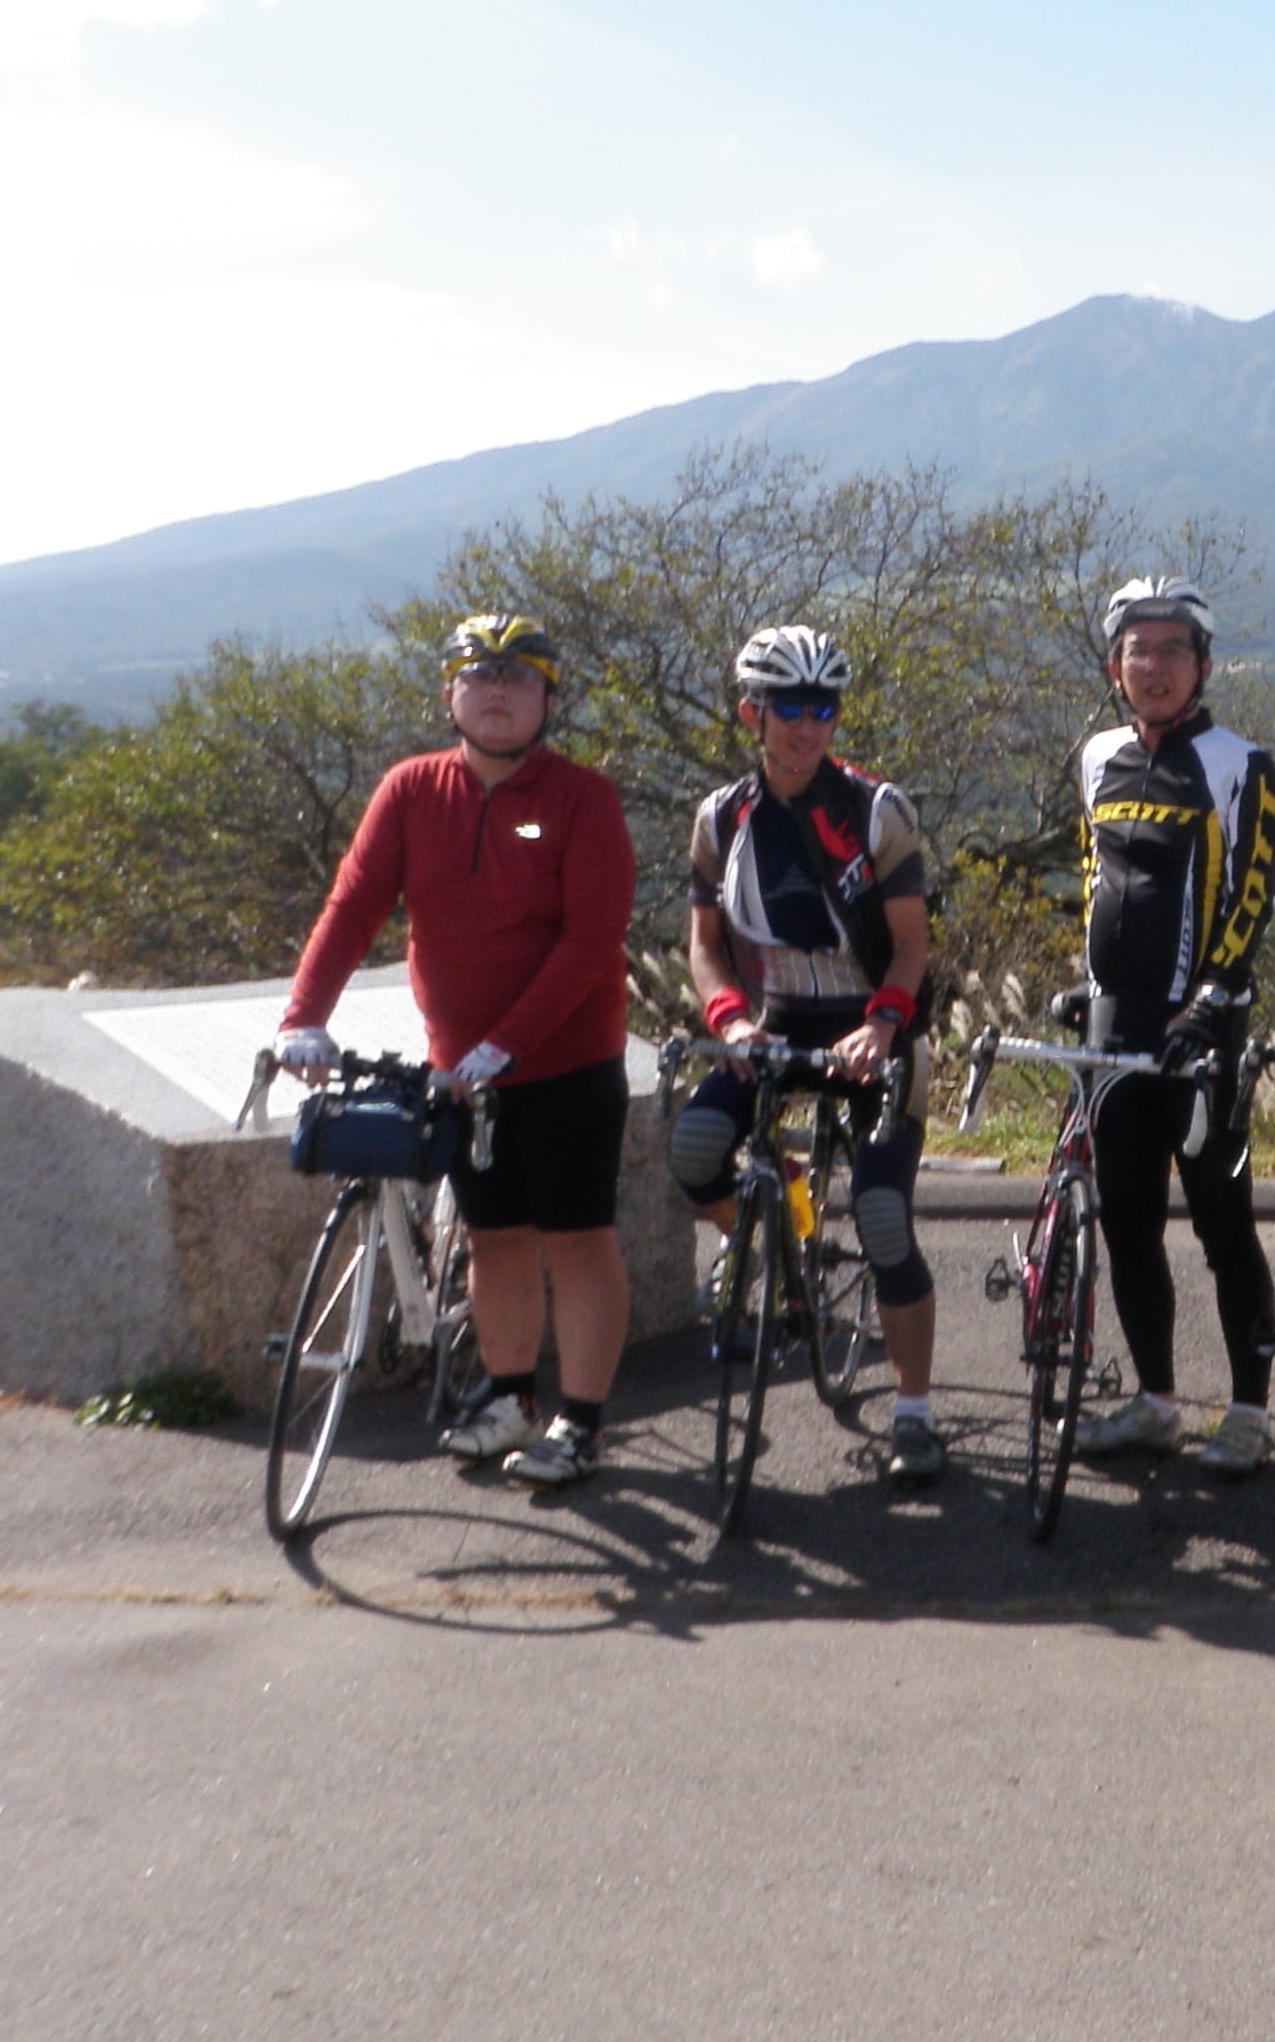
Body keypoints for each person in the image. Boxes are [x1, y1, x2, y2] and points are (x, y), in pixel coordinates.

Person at [276, 613, 636, 1488]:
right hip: (459, 1071)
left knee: (577, 1240)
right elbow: (354, 906)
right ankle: (509, 1395)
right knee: (494, 1236)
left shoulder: (581, 800)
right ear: (450, 695)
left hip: (567, 1063)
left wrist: (507, 1044)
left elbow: (591, 939)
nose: (499, 691)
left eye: (520, 678)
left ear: (549, 699)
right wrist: (303, 1015)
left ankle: (578, 1422)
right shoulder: (411, 791)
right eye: (480, 676)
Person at [672, 626, 946, 1483]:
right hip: (778, 1027)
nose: (806, 725)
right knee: (693, 1150)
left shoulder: (875, 810)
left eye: (822, 707)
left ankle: (912, 1408)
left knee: (882, 1218)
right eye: (788, 706)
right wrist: (729, 1020)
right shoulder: (722, 819)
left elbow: (911, 947)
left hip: (880, 1033)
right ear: (752, 712)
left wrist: (883, 1025)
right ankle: (764, 1230)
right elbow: (704, 945)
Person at [1072, 575, 1275, 1471]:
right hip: (1112, 1027)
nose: (1153, 666)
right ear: (1116, 665)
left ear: (1201, 664)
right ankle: (1156, 1400)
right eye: (1137, 650)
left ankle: (1247, 1411)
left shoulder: (1241, 763)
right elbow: (1096, 878)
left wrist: (1210, 1000)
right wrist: (1084, 985)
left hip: (1203, 1030)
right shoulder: (1095, 758)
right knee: (1123, 1217)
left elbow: (1253, 894)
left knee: (1221, 1223)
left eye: (1171, 650)